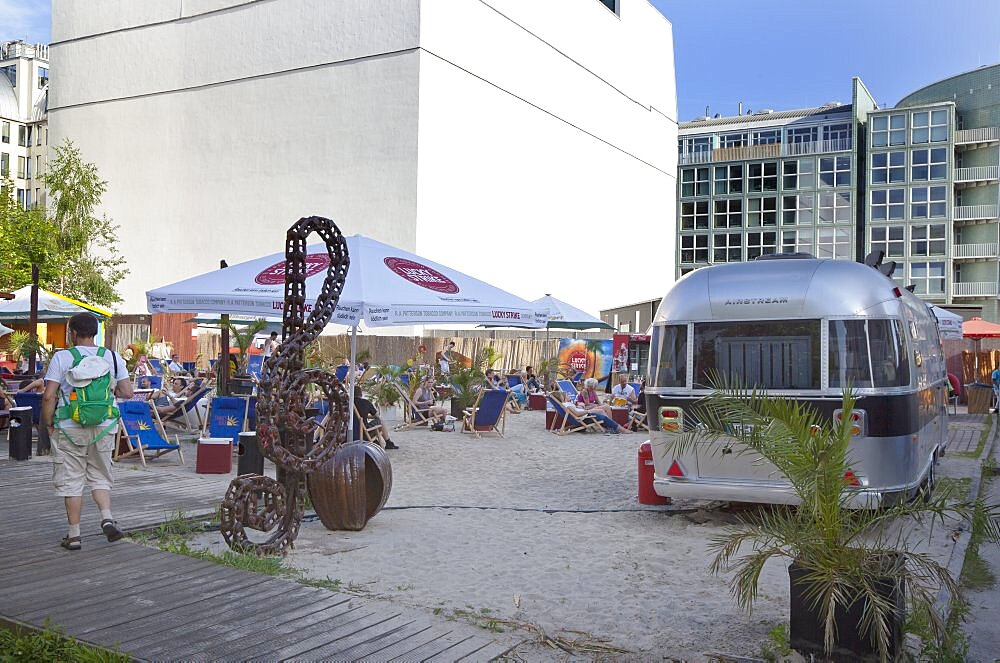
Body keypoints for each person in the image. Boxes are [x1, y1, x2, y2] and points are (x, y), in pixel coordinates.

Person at [41, 312, 132, 551]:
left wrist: (48, 423)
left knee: (72, 480)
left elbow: (49, 395)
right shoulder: (112, 357)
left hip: (70, 427)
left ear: (72, 333)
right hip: (104, 426)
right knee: (100, 475)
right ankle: (106, 517)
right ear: (95, 332)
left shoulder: (62, 357)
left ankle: (74, 536)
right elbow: (128, 391)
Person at [355, 385, 397, 449]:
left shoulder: (348, 403)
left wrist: (365, 416)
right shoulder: (366, 402)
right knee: (380, 421)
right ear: (361, 393)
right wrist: (366, 415)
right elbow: (377, 416)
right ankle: (388, 442)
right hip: (364, 434)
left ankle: (376, 441)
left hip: (351, 433)